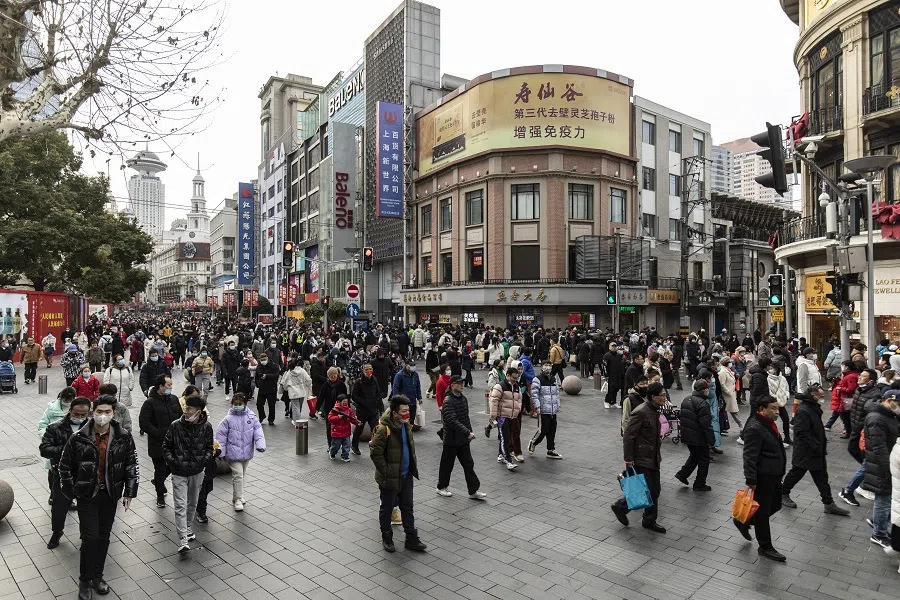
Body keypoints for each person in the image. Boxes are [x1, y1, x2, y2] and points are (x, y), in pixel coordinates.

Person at [58, 395, 138, 600]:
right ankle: (84, 580)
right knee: (90, 538)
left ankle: (98, 576)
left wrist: (130, 491)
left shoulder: (123, 436)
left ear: (113, 413)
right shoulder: (79, 437)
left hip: (110, 494)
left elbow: (131, 465)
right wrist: (71, 492)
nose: (103, 416)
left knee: (103, 538)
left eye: (107, 412)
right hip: (87, 495)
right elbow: (64, 466)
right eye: (99, 412)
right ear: (93, 413)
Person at [779, 384, 850, 516]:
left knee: (821, 478)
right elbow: (801, 432)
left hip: (816, 450)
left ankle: (828, 503)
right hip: (807, 451)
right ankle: (783, 493)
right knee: (797, 473)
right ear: (813, 396)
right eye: (821, 396)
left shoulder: (812, 407)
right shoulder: (804, 410)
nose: (823, 398)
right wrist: (815, 446)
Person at [369, 395, 427, 553]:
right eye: (404, 411)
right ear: (394, 413)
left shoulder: (406, 424)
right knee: (387, 508)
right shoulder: (383, 429)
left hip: (406, 475)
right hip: (390, 477)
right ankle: (387, 537)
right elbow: (375, 453)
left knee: (407, 506)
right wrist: (387, 472)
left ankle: (411, 538)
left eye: (408, 410)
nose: (407, 414)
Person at [734, 394, 788, 562]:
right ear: (761, 409)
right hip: (763, 476)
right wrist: (751, 480)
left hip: (774, 473)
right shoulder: (755, 428)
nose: (777, 412)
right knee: (763, 512)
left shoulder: (769, 423)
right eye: (773, 408)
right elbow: (749, 456)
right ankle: (765, 546)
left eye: (777, 408)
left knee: (776, 505)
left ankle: (744, 522)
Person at [611, 381, 668, 533]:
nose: (664, 397)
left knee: (654, 490)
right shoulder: (641, 412)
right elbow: (628, 436)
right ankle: (624, 508)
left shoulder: (654, 410)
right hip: (642, 457)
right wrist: (628, 459)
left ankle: (646, 518)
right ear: (654, 397)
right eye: (662, 395)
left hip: (653, 456)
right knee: (647, 490)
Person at [163, 393, 213, 553]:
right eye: (185, 408)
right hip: (178, 472)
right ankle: (183, 539)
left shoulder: (207, 427)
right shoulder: (175, 425)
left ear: (199, 411)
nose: (186, 411)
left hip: (197, 471)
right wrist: (173, 461)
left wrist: (202, 461)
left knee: (192, 503)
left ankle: (189, 527)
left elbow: (209, 448)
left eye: (189, 409)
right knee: (180, 505)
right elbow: (166, 446)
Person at [40, 396, 91, 548]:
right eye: (76, 414)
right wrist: (65, 450)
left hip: (86, 475)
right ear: (70, 411)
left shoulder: (92, 427)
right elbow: (44, 449)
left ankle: (85, 535)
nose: (80, 417)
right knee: (59, 508)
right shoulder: (55, 427)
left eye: (84, 414)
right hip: (62, 475)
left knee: (86, 509)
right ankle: (57, 532)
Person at [436, 375, 486, 499]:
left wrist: (469, 431)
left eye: (462, 383)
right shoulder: (448, 401)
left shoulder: (463, 399)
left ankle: (473, 490)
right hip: (451, 440)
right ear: (452, 385)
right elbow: (453, 421)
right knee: (447, 465)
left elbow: (465, 417)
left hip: (463, 439)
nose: (462, 385)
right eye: (458, 383)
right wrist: (467, 432)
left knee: (468, 464)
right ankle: (441, 487)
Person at [862, 389, 900, 548]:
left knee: (886, 500)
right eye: (897, 404)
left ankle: (882, 527)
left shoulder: (889, 416)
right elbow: (879, 448)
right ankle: (878, 533)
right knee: (883, 500)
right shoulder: (877, 418)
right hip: (883, 467)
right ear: (888, 400)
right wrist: (889, 469)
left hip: (886, 464)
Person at [138, 375, 183, 508]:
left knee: (172, 466)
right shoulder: (150, 403)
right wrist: (159, 433)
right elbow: (144, 423)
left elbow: (180, 417)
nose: (171, 387)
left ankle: (158, 481)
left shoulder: (174, 399)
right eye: (168, 385)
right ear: (160, 387)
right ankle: (160, 495)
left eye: (171, 384)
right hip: (157, 443)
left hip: (174, 441)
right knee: (160, 469)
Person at [216, 392, 266, 512]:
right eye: (235, 404)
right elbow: (220, 437)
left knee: (241, 474)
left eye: (240, 404)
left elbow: (258, 432)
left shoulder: (251, 417)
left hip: (246, 452)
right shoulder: (227, 420)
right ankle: (238, 499)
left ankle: (238, 496)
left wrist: (260, 445)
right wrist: (220, 452)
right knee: (238, 475)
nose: (237, 406)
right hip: (232, 453)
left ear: (244, 404)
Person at [38, 387, 78, 507]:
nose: (68, 401)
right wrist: (49, 438)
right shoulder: (51, 409)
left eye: (70, 399)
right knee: (53, 474)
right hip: (56, 449)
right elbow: (42, 425)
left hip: (71, 451)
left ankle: (70, 498)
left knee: (71, 474)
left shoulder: (76, 409)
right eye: (66, 399)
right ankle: (53, 495)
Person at [675, 379, 715, 491]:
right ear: (705, 390)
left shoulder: (686, 399)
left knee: (694, 456)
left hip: (687, 435)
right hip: (699, 437)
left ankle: (683, 474)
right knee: (704, 459)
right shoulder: (703, 404)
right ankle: (699, 483)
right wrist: (711, 440)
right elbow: (706, 425)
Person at [489, 366, 524, 471]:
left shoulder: (516, 386)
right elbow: (494, 401)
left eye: (516, 378)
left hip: (512, 416)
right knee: (505, 438)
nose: (515, 380)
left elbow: (519, 400)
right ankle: (508, 460)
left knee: (506, 437)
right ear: (507, 376)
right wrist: (493, 415)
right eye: (513, 378)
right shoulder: (500, 386)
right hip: (502, 417)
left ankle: (501, 455)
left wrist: (517, 410)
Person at [528, 361, 562, 459]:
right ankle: (534, 442)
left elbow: (557, 393)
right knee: (543, 430)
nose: (548, 367)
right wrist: (537, 407)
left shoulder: (553, 378)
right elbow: (534, 395)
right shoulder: (537, 379)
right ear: (542, 367)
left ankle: (550, 449)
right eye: (545, 365)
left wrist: (557, 405)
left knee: (552, 429)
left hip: (552, 410)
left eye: (549, 365)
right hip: (543, 410)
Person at [351, 364, 383, 455]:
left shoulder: (374, 380)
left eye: (370, 369)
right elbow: (354, 396)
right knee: (359, 429)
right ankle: (354, 446)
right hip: (362, 411)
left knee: (375, 429)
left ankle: (375, 446)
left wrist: (380, 407)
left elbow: (378, 393)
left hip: (373, 410)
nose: (369, 371)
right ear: (363, 371)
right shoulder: (359, 382)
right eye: (367, 370)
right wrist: (363, 402)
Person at [317, 367, 348, 449]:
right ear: (328, 377)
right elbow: (321, 397)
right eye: (331, 376)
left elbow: (346, 396)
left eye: (335, 376)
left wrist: (346, 406)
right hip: (329, 409)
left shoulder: (341, 384)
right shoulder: (325, 385)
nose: (333, 378)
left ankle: (338, 443)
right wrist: (317, 407)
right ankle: (330, 444)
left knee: (340, 427)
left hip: (340, 409)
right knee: (329, 427)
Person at [826, 360, 859, 437]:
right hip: (845, 399)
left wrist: (841, 389)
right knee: (843, 415)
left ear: (847, 366)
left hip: (847, 399)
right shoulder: (849, 375)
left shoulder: (850, 376)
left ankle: (848, 432)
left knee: (845, 416)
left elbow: (851, 389)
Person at [328, 394, 360, 462]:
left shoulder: (349, 410)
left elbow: (352, 419)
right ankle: (332, 452)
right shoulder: (335, 410)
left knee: (347, 445)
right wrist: (338, 417)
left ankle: (345, 456)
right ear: (339, 402)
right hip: (337, 431)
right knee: (336, 445)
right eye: (344, 401)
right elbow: (330, 418)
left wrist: (357, 422)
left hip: (346, 431)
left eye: (346, 401)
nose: (345, 403)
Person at [255, 351, 281, 425]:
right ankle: (262, 416)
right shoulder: (259, 366)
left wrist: (267, 376)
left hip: (271, 388)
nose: (263, 361)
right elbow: (256, 376)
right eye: (261, 360)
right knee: (259, 404)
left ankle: (271, 419)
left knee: (271, 405)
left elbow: (276, 375)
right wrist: (257, 383)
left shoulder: (274, 366)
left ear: (267, 359)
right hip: (262, 388)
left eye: (264, 360)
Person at [602, 343, 625, 409]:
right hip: (610, 375)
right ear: (609, 347)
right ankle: (606, 401)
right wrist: (606, 374)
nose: (614, 347)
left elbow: (621, 365)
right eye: (612, 346)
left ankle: (613, 402)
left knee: (616, 388)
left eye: (615, 346)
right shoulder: (607, 355)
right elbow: (604, 366)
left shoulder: (618, 355)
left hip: (617, 375)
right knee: (610, 389)